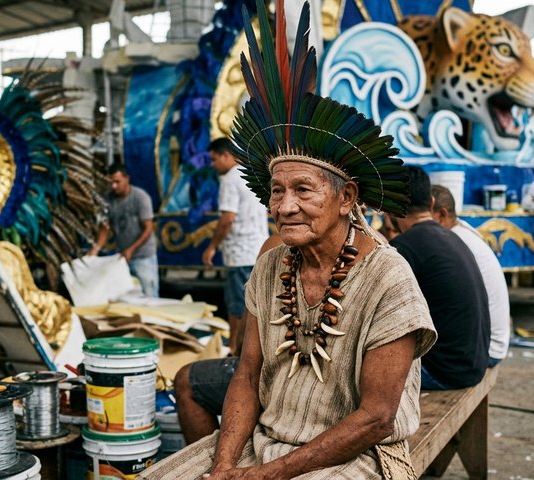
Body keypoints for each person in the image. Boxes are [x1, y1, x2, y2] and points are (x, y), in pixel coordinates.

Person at [141, 2, 436, 477]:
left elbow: (377, 418)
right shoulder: (270, 266)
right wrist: (224, 464)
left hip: (360, 457)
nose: (284, 206)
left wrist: (267, 475)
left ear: (347, 198)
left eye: (303, 190)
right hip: (266, 441)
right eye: (277, 191)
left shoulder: (388, 278)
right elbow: (247, 374)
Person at [175, 234, 283, 445]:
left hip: (279, 378)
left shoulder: (275, 247)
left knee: (186, 380)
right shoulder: (366, 245)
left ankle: (206, 464)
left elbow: (244, 343)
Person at [389, 167, 490, 390]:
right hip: (474, 366)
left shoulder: (404, 247)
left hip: (443, 374)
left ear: (390, 209)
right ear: (432, 203)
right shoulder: (453, 237)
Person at [202, 137, 270, 355]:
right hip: (258, 250)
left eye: (214, 160)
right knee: (256, 303)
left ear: (226, 155)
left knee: (237, 305)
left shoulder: (230, 180)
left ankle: (234, 349)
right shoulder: (250, 176)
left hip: (240, 253)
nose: (213, 165)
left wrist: (212, 246)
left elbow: (227, 218)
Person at [431, 184, 510, 367]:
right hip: (490, 344)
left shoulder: (451, 242)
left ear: (442, 215)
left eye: (425, 216)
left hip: (485, 350)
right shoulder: (461, 231)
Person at [89, 163, 159, 297]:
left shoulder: (140, 197)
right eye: (111, 182)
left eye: (117, 182)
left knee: (150, 295)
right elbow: (105, 227)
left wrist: (131, 249)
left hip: (143, 256)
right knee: (125, 296)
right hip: (123, 257)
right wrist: (96, 248)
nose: (113, 186)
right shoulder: (107, 200)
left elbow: (148, 228)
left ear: (127, 179)